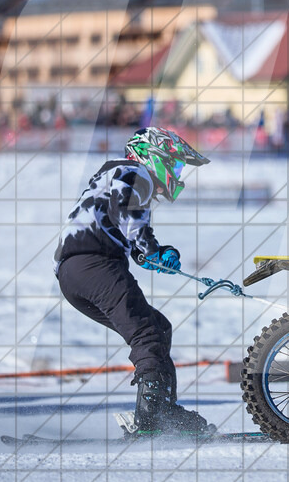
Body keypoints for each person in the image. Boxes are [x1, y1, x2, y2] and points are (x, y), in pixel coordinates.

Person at [54, 127, 213, 435]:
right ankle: (152, 421)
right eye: (175, 164)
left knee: (157, 326)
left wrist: (154, 254)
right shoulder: (132, 172)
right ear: (155, 157)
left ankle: (163, 410)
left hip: (76, 272)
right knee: (146, 334)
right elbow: (132, 219)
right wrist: (152, 250)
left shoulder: (120, 177)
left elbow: (124, 228)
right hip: (93, 264)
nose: (177, 173)